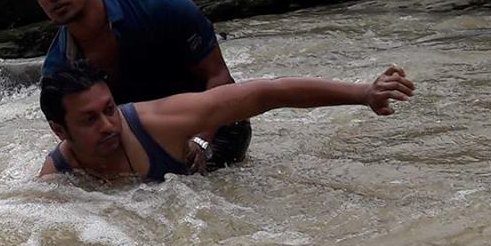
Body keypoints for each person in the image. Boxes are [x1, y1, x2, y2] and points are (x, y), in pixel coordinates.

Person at [23, 0, 247, 172]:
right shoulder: (58, 71)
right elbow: (79, 141)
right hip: (141, 146)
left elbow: (219, 76)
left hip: (215, 128)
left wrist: (201, 139)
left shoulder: (162, 6)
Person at [39, 60, 415, 182]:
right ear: (60, 130)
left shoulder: (161, 121)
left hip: (217, 141)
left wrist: (363, 93)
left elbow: (266, 93)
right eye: (89, 119)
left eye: (109, 109)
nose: (107, 125)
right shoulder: (58, 174)